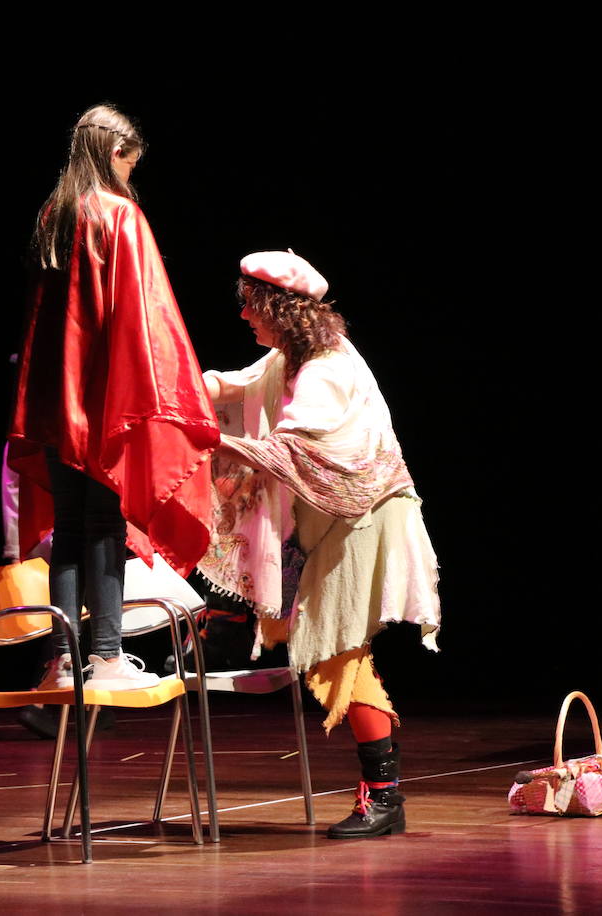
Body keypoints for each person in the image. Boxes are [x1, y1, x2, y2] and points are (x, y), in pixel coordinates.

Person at [197, 251, 441, 839]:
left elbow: (292, 452)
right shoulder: (291, 359)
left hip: (362, 516)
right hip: (334, 520)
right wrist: (179, 387)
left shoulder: (325, 371)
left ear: (277, 309)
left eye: (249, 305)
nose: (243, 315)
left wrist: (203, 439)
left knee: (335, 647)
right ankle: (383, 795)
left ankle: (383, 798)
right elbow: (234, 386)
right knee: (321, 641)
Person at [8, 104, 217, 691]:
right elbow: (146, 318)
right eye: (131, 162)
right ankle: (104, 653)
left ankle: (62, 658)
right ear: (114, 153)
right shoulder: (119, 216)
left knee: (71, 527)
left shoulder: (53, 214)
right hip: (103, 401)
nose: (131, 175)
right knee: (102, 524)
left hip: (54, 404)